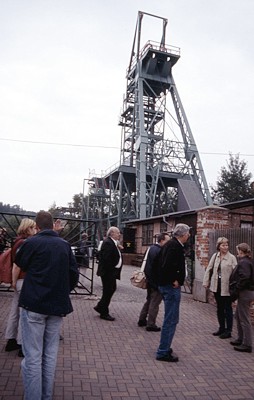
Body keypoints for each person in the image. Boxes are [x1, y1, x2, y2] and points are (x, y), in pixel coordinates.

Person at [15, 211, 79, 400]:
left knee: (33, 357)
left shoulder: (31, 243)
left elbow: (20, 263)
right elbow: (73, 274)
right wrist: (61, 290)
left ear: (37, 225)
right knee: (49, 356)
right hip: (56, 306)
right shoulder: (65, 245)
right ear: (53, 225)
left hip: (34, 304)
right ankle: (45, 396)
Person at [156, 223, 190, 362]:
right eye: (188, 233)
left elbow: (158, 264)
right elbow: (166, 266)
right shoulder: (174, 246)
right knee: (170, 320)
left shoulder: (169, 245)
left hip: (166, 286)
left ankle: (165, 347)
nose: (189, 236)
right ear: (183, 235)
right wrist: (173, 280)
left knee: (171, 319)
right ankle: (163, 351)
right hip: (171, 288)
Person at [4, 218, 37, 356]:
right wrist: (14, 280)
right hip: (23, 281)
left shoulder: (16, 241)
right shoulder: (25, 243)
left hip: (18, 281)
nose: (35, 230)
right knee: (25, 314)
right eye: (34, 228)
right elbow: (18, 265)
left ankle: (11, 339)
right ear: (28, 228)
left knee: (15, 311)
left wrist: (13, 281)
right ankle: (22, 344)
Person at [203, 237, 237, 339]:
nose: (225, 247)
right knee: (220, 308)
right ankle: (221, 328)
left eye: (226, 245)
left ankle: (228, 331)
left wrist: (235, 288)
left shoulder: (232, 258)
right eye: (223, 245)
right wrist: (206, 282)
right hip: (216, 286)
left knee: (228, 309)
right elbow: (209, 269)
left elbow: (236, 274)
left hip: (226, 287)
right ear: (219, 246)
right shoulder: (215, 256)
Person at [138, 232, 170, 331]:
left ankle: (142, 319)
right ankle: (151, 324)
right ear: (162, 240)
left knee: (149, 300)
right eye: (167, 240)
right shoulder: (160, 251)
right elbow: (160, 268)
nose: (168, 243)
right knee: (154, 303)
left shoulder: (151, 248)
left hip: (149, 279)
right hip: (156, 282)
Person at [229, 243, 254, 353]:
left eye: (238, 250)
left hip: (245, 292)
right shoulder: (248, 261)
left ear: (241, 251)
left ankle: (247, 344)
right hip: (245, 291)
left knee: (244, 318)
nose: (237, 252)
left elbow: (245, 277)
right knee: (239, 316)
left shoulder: (244, 262)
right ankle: (240, 338)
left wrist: (237, 289)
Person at [94, 226, 122, 321]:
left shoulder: (113, 243)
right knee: (108, 290)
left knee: (111, 289)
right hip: (108, 272)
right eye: (117, 232)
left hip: (111, 272)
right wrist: (111, 270)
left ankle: (100, 306)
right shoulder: (108, 243)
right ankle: (104, 312)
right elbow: (106, 259)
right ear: (112, 233)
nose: (119, 234)